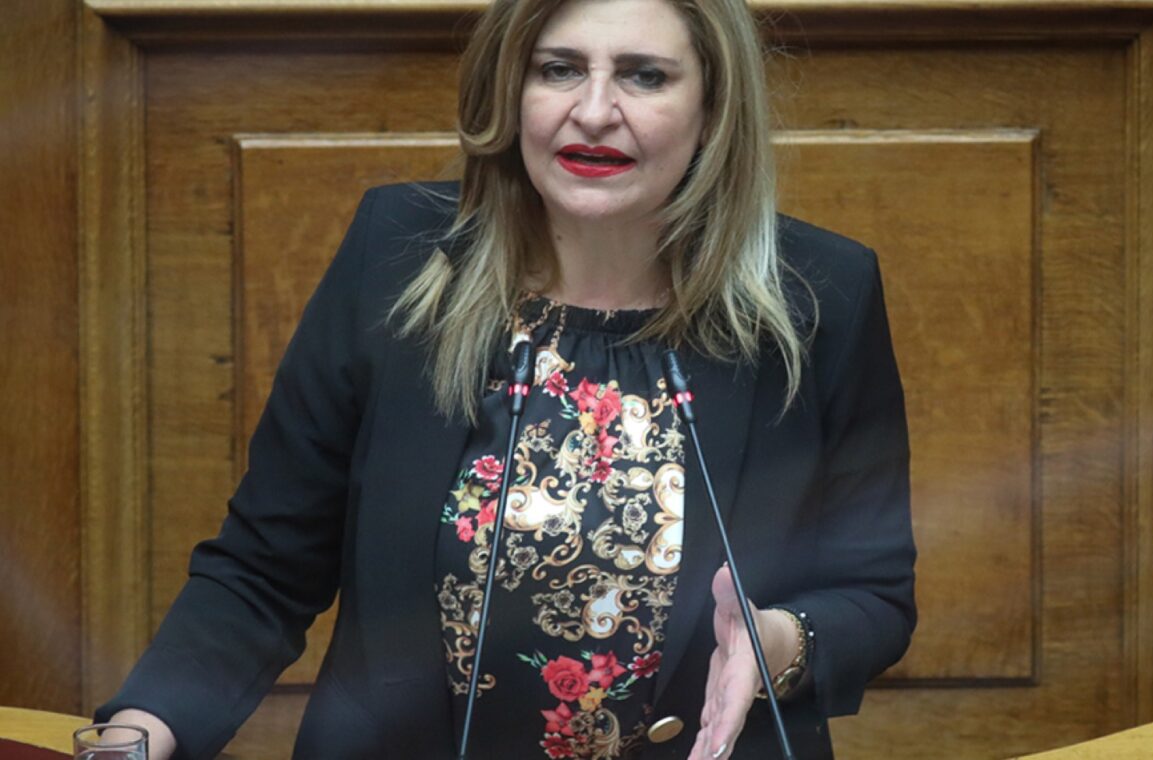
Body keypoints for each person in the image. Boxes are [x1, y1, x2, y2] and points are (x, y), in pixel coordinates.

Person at [95, 0, 916, 757]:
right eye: (559, 69)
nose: (594, 110)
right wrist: (137, 736)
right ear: (511, 92)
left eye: (645, 75)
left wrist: (777, 644)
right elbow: (263, 568)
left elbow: (875, 596)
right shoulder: (396, 259)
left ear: (712, 109)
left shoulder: (819, 299)